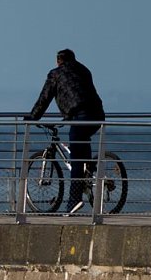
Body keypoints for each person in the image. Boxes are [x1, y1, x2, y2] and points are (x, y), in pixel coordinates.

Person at [24, 49, 106, 212]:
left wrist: (33, 117)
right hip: (97, 114)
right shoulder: (84, 70)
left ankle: (73, 202)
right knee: (82, 142)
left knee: (75, 158)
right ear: (73, 59)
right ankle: (88, 174)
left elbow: (44, 98)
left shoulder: (55, 74)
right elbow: (81, 93)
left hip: (80, 115)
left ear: (58, 61)